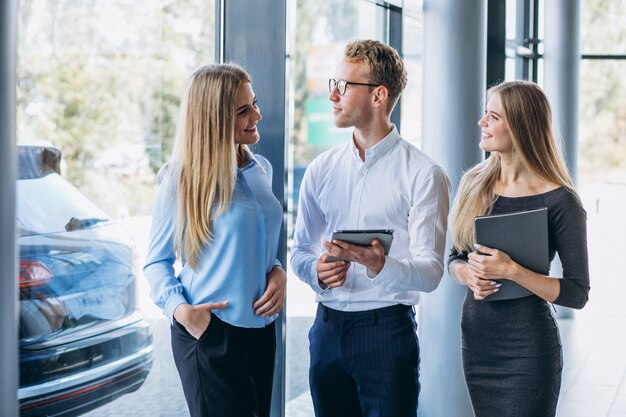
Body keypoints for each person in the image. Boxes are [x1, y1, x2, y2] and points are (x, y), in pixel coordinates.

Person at [290, 39, 451, 417]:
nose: (332, 95)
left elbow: (431, 273)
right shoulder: (321, 169)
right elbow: (299, 251)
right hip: (326, 330)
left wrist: (379, 264)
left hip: (386, 332)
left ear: (379, 95)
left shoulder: (424, 174)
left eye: (343, 86)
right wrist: (316, 270)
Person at [143, 64, 286, 417]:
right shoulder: (180, 179)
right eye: (243, 110)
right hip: (208, 332)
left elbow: (260, 242)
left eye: (254, 103)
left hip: (261, 330)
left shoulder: (261, 169)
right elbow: (156, 263)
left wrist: (278, 271)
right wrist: (183, 313)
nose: (258, 115)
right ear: (214, 119)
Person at [448, 80, 590, 417]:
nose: (482, 122)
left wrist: (512, 271)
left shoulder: (561, 200)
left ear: (522, 126)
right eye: (486, 114)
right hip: (478, 341)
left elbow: (577, 293)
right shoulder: (474, 184)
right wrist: (468, 274)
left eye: (494, 117)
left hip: (529, 348)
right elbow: (453, 259)